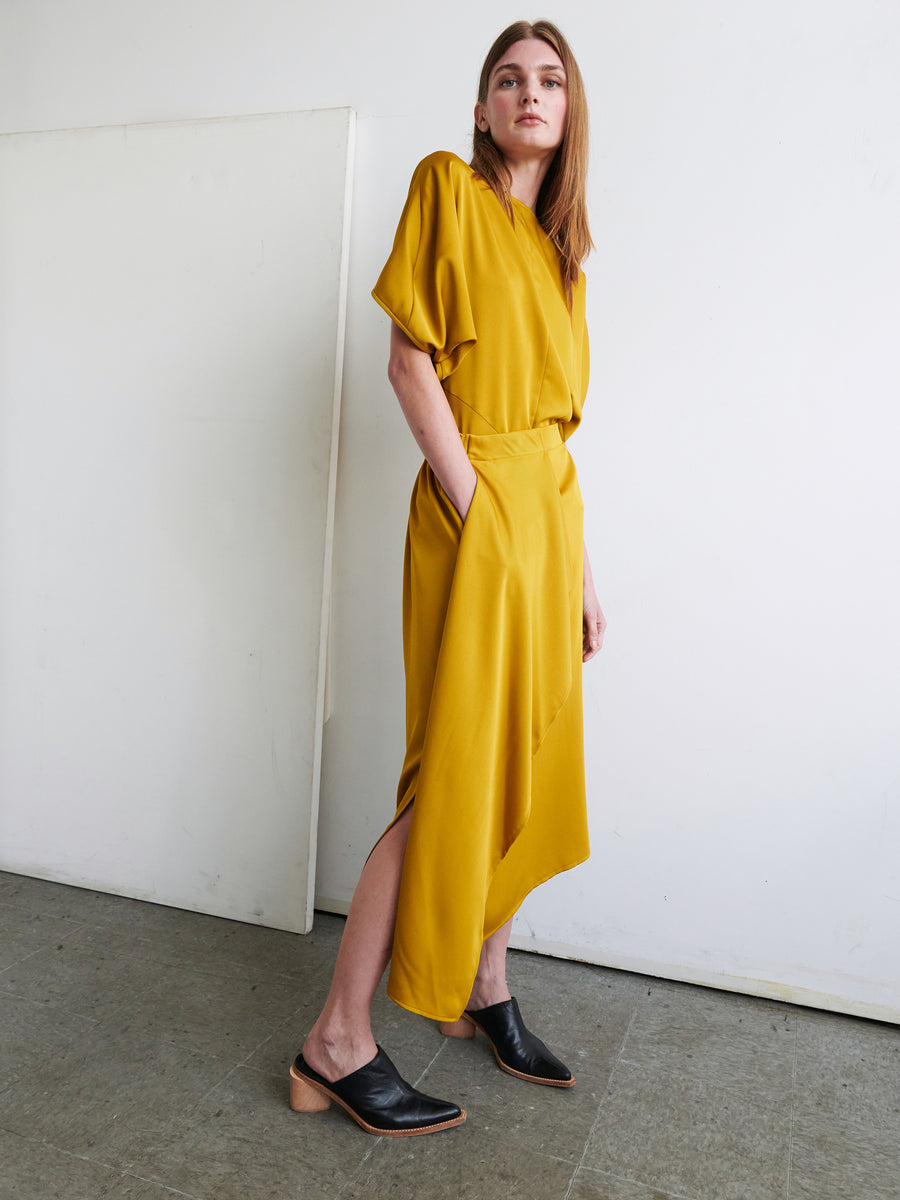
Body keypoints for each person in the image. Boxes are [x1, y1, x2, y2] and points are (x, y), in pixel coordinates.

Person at [288, 19, 606, 1137]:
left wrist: (577, 570)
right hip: (475, 511)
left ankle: (484, 987)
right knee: (450, 774)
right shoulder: (446, 190)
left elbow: (558, 440)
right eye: (508, 80)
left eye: (550, 81)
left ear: (570, 112)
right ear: (481, 110)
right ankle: (336, 1040)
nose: (530, 94)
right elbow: (408, 361)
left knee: (525, 747)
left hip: (543, 521)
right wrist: (480, 513)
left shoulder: (565, 252)